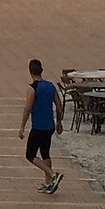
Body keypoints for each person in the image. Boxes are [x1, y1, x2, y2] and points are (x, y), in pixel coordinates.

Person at [18, 57, 63, 195]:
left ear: (30, 71)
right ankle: (49, 183)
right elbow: (59, 105)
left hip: (38, 126)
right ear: (41, 70)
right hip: (49, 125)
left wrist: (22, 127)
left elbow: (28, 108)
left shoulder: (32, 89)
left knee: (30, 154)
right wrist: (59, 122)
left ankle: (53, 174)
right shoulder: (50, 86)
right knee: (45, 153)